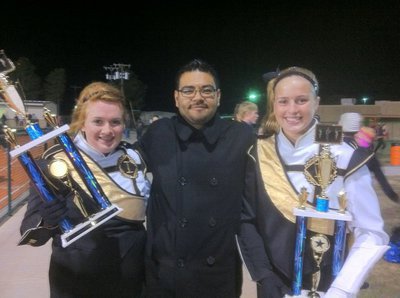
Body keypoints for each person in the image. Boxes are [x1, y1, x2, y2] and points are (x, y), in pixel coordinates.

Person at [238, 66, 389, 298]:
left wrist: (342, 289)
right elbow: (247, 220)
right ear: (274, 105)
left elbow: (371, 232)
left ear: (316, 102)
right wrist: (263, 275)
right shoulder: (258, 152)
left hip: (331, 286)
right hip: (273, 286)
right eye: (283, 102)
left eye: (301, 100)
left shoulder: (346, 154)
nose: (292, 110)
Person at [20, 81, 151, 298]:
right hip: (76, 283)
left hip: (132, 282)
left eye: (115, 122)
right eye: (98, 121)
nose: (107, 131)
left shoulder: (135, 157)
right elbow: (30, 232)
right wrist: (48, 220)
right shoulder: (54, 163)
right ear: (82, 123)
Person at [138, 59, 256, 297]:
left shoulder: (241, 136)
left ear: (219, 96)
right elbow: (120, 169)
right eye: (188, 90)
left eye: (206, 90)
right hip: (164, 273)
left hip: (217, 275)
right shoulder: (158, 133)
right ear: (176, 98)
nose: (198, 97)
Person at [339, 112, 399, 203]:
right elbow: (381, 179)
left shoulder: (328, 149)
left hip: (330, 205)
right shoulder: (367, 155)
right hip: (359, 203)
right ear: (359, 129)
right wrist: (394, 197)